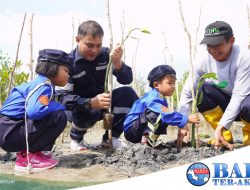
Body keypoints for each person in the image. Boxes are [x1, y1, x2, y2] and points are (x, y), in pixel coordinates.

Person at [56, 20, 138, 150]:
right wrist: (90, 102)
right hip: (80, 108)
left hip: (103, 104)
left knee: (128, 94)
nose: (94, 50)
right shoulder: (68, 63)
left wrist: (117, 63)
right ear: (77, 40)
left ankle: (112, 137)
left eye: (98, 46)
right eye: (90, 45)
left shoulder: (106, 55)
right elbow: (61, 98)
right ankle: (76, 138)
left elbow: (127, 79)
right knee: (89, 110)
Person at [178, 21, 250, 150]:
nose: (213, 50)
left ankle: (248, 136)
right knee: (201, 91)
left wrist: (222, 125)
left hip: (245, 104)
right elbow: (188, 92)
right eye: (209, 46)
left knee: (248, 105)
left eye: (218, 45)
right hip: (227, 103)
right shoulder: (203, 60)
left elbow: (239, 96)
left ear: (231, 40)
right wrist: (182, 121)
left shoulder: (244, 57)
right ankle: (223, 137)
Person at [0, 49, 72, 173]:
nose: (68, 75)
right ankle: (29, 157)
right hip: (10, 131)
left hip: (7, 130)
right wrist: (59, 106)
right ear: (53, 68)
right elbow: (34, 112)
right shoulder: (44, 85)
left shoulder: (39, 83)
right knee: (59, 116)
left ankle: (31, 153)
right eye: (65, 70)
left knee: (53, 113)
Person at [123, 65, 200, 148]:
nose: (173, 86)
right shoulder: (152, 98)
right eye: (170, 83)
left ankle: (150, 142)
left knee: (163, 117)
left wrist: (182, 124)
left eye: (174, 83)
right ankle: (145, 142)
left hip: (137, 128)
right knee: (157, 114)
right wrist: (187, 119)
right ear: (156, 85)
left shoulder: (160, 98)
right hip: (133, 130)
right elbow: (166, 114)